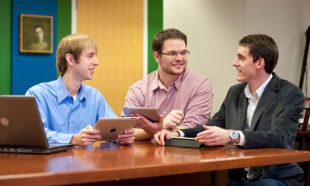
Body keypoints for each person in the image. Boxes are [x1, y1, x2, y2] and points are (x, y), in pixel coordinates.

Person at [154, 34, 305, 186]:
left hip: (273, 177)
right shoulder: (235, 92)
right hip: (236, 175)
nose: (234, 63)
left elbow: (280, 137)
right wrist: (177, 134)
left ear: (259, 63)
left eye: (241, 58)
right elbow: (212, 126)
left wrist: (232, 136)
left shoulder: (290, 94)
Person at [26, 33, 135, 146]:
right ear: (70, 59)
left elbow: (114, 130)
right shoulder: (38, 94)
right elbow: (33, 134)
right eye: (90, 56)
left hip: (86, 162)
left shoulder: (95, 97)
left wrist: (123, 136)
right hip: (48, 163)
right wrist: (72, 139)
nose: (97, 62)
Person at [122, 28, 213, 140]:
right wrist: (162, 126)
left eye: (183, 53)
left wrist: (151, 130)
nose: (180, 59)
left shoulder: (200, 85)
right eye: (172, 53)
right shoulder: (138, 89)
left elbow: (193, 129)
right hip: (146, 155)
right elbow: (124, 131)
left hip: (185, 155)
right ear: (157, 56)